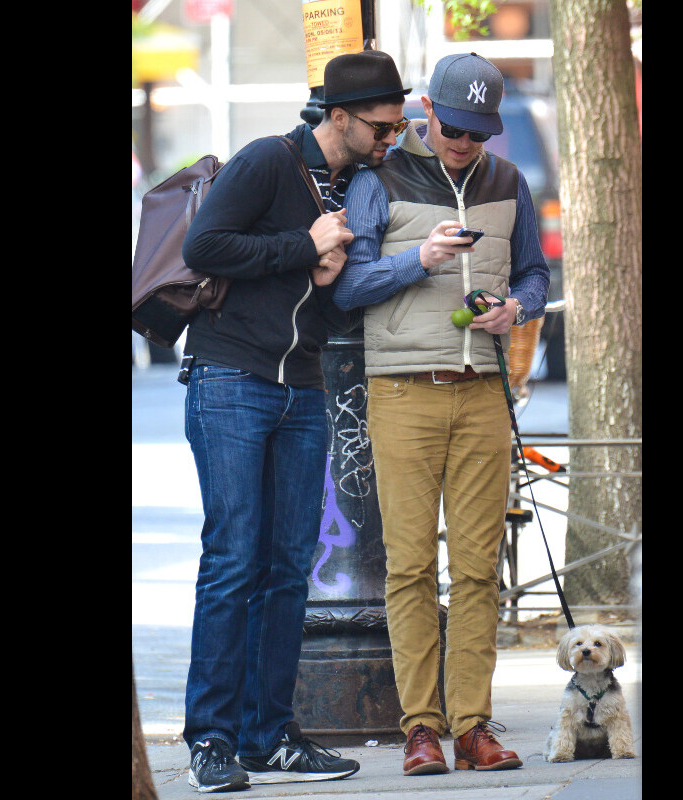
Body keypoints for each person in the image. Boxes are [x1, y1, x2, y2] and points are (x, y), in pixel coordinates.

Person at [176, 50, 410, 793]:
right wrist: (300, 248)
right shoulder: (266, 162)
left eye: (398, 125)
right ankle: (211, 739)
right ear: (337, 116)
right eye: (381, 125)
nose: (390, 137)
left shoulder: (355, 182)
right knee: (234, 560)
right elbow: (203, 246)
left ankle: (269, 733)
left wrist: (332, 277)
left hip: (301, 387)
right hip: (232, 380)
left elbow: (322, 298)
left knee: (286, 571)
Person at [333, 52, 550, 776]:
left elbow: (534, 270)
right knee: (411, 567)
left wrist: (518, 307)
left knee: (481, 567)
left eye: (477, 135)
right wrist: (418, 259)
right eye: (454, 130)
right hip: (402, 389)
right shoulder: (378, 180)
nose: (465, 146)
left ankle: (473, 726)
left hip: (483, 388)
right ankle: (421, 728)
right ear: (428, 109)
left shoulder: (507, 180)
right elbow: (348, 285)